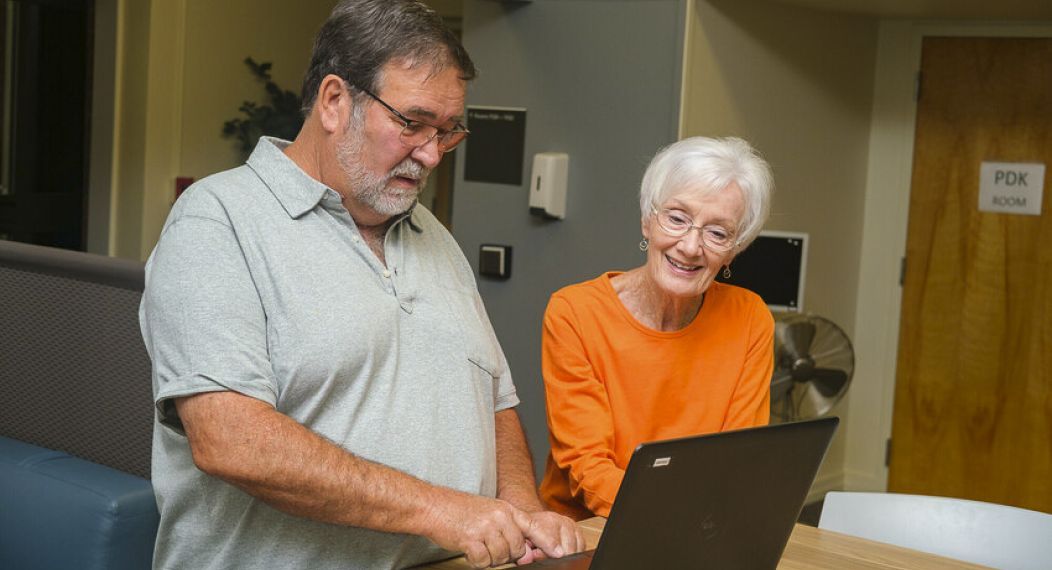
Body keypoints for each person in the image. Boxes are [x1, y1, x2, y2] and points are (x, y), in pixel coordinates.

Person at [139, 1, 583, 568]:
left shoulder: (436, 238)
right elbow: (231, 441)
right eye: (411, 122)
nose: (430, 154)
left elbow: (493, 399)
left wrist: (521, 508)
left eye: (447, 132)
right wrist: (441, 510)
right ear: (334, 101)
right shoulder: (217, 221)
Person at [538, 137, 775, 520]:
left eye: (717, 232)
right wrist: (672, 519)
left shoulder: (750, 318)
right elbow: (588, 467)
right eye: (677, 218)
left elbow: (736, 459)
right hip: (590, 531)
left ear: (735, 249)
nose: (690, 246)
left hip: (697, 529)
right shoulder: (575, 312)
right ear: (648, 220)